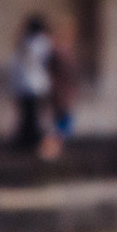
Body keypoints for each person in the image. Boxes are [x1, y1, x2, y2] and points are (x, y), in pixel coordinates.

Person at [11, 13, 55, 157]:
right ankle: (34, 142)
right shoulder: (42, 42)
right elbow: (47, 61)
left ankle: (27, 141)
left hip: (23, 85)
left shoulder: (25, 42)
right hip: (36, 85)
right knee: (34, 116)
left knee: (27, 115)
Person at [45, 13, 79, 161]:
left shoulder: (60, 51)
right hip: (62, 92)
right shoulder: (59, 52)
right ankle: (49, 149)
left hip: (64, 92)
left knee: (64, 122)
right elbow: (68, 72)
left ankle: (53, 149)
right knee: (62, 123)